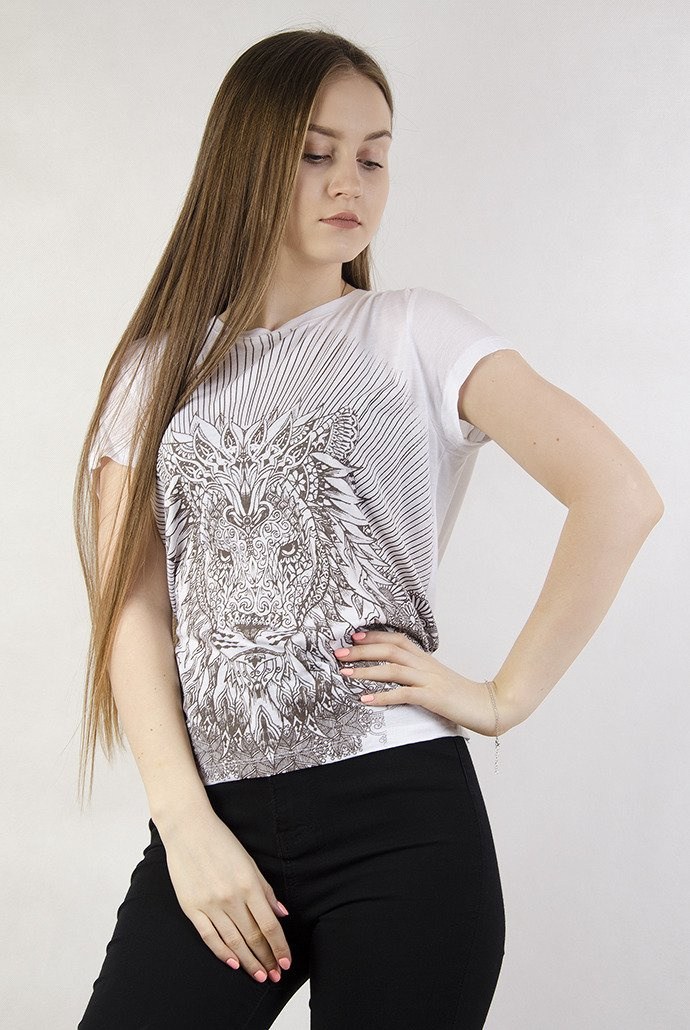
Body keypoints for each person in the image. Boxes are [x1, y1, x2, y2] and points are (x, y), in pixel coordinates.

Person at [73, 27, 664, 1030]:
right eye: (317, 152)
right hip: (216, 817)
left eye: (374, 156)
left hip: (403, 820)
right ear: (246, 160)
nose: (350, 181)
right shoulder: (155, 369)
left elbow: (619, 493)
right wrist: (184, 824)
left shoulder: (415, 334)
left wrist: (502, 697)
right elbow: (132, 610)